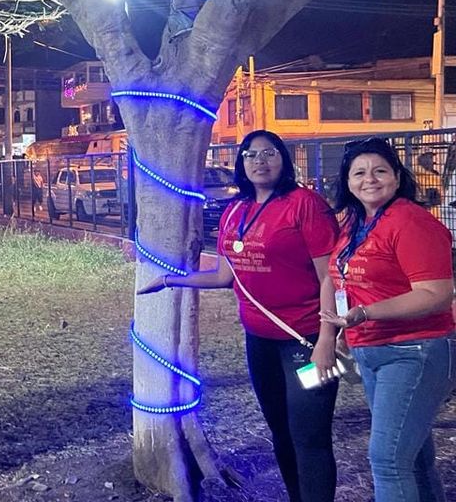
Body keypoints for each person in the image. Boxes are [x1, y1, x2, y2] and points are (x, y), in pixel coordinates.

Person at [137, 130, 340, 502]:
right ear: (241, 163)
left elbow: (330, 276)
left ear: (284, 159)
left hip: (306, 342)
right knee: (281, 430)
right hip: (260, 341)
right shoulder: (235, 211)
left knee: (309, 435)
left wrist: (327, 339)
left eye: (269, 153)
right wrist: (169, 280)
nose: (260, 161)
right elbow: (223, 276)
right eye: (250, 154)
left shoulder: (305, 204)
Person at [321, 137, 455, 502]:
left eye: (380, 170)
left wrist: (366, 312)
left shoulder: (410, 221)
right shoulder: (356, 222)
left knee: (388, 461)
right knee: (414, 460)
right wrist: (332, 334)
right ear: (347, 181)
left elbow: (436, 293)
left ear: (396, 177)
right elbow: (335, 276)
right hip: (371, 350)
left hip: (414, 349)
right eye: (359, 172)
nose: (370, 179)